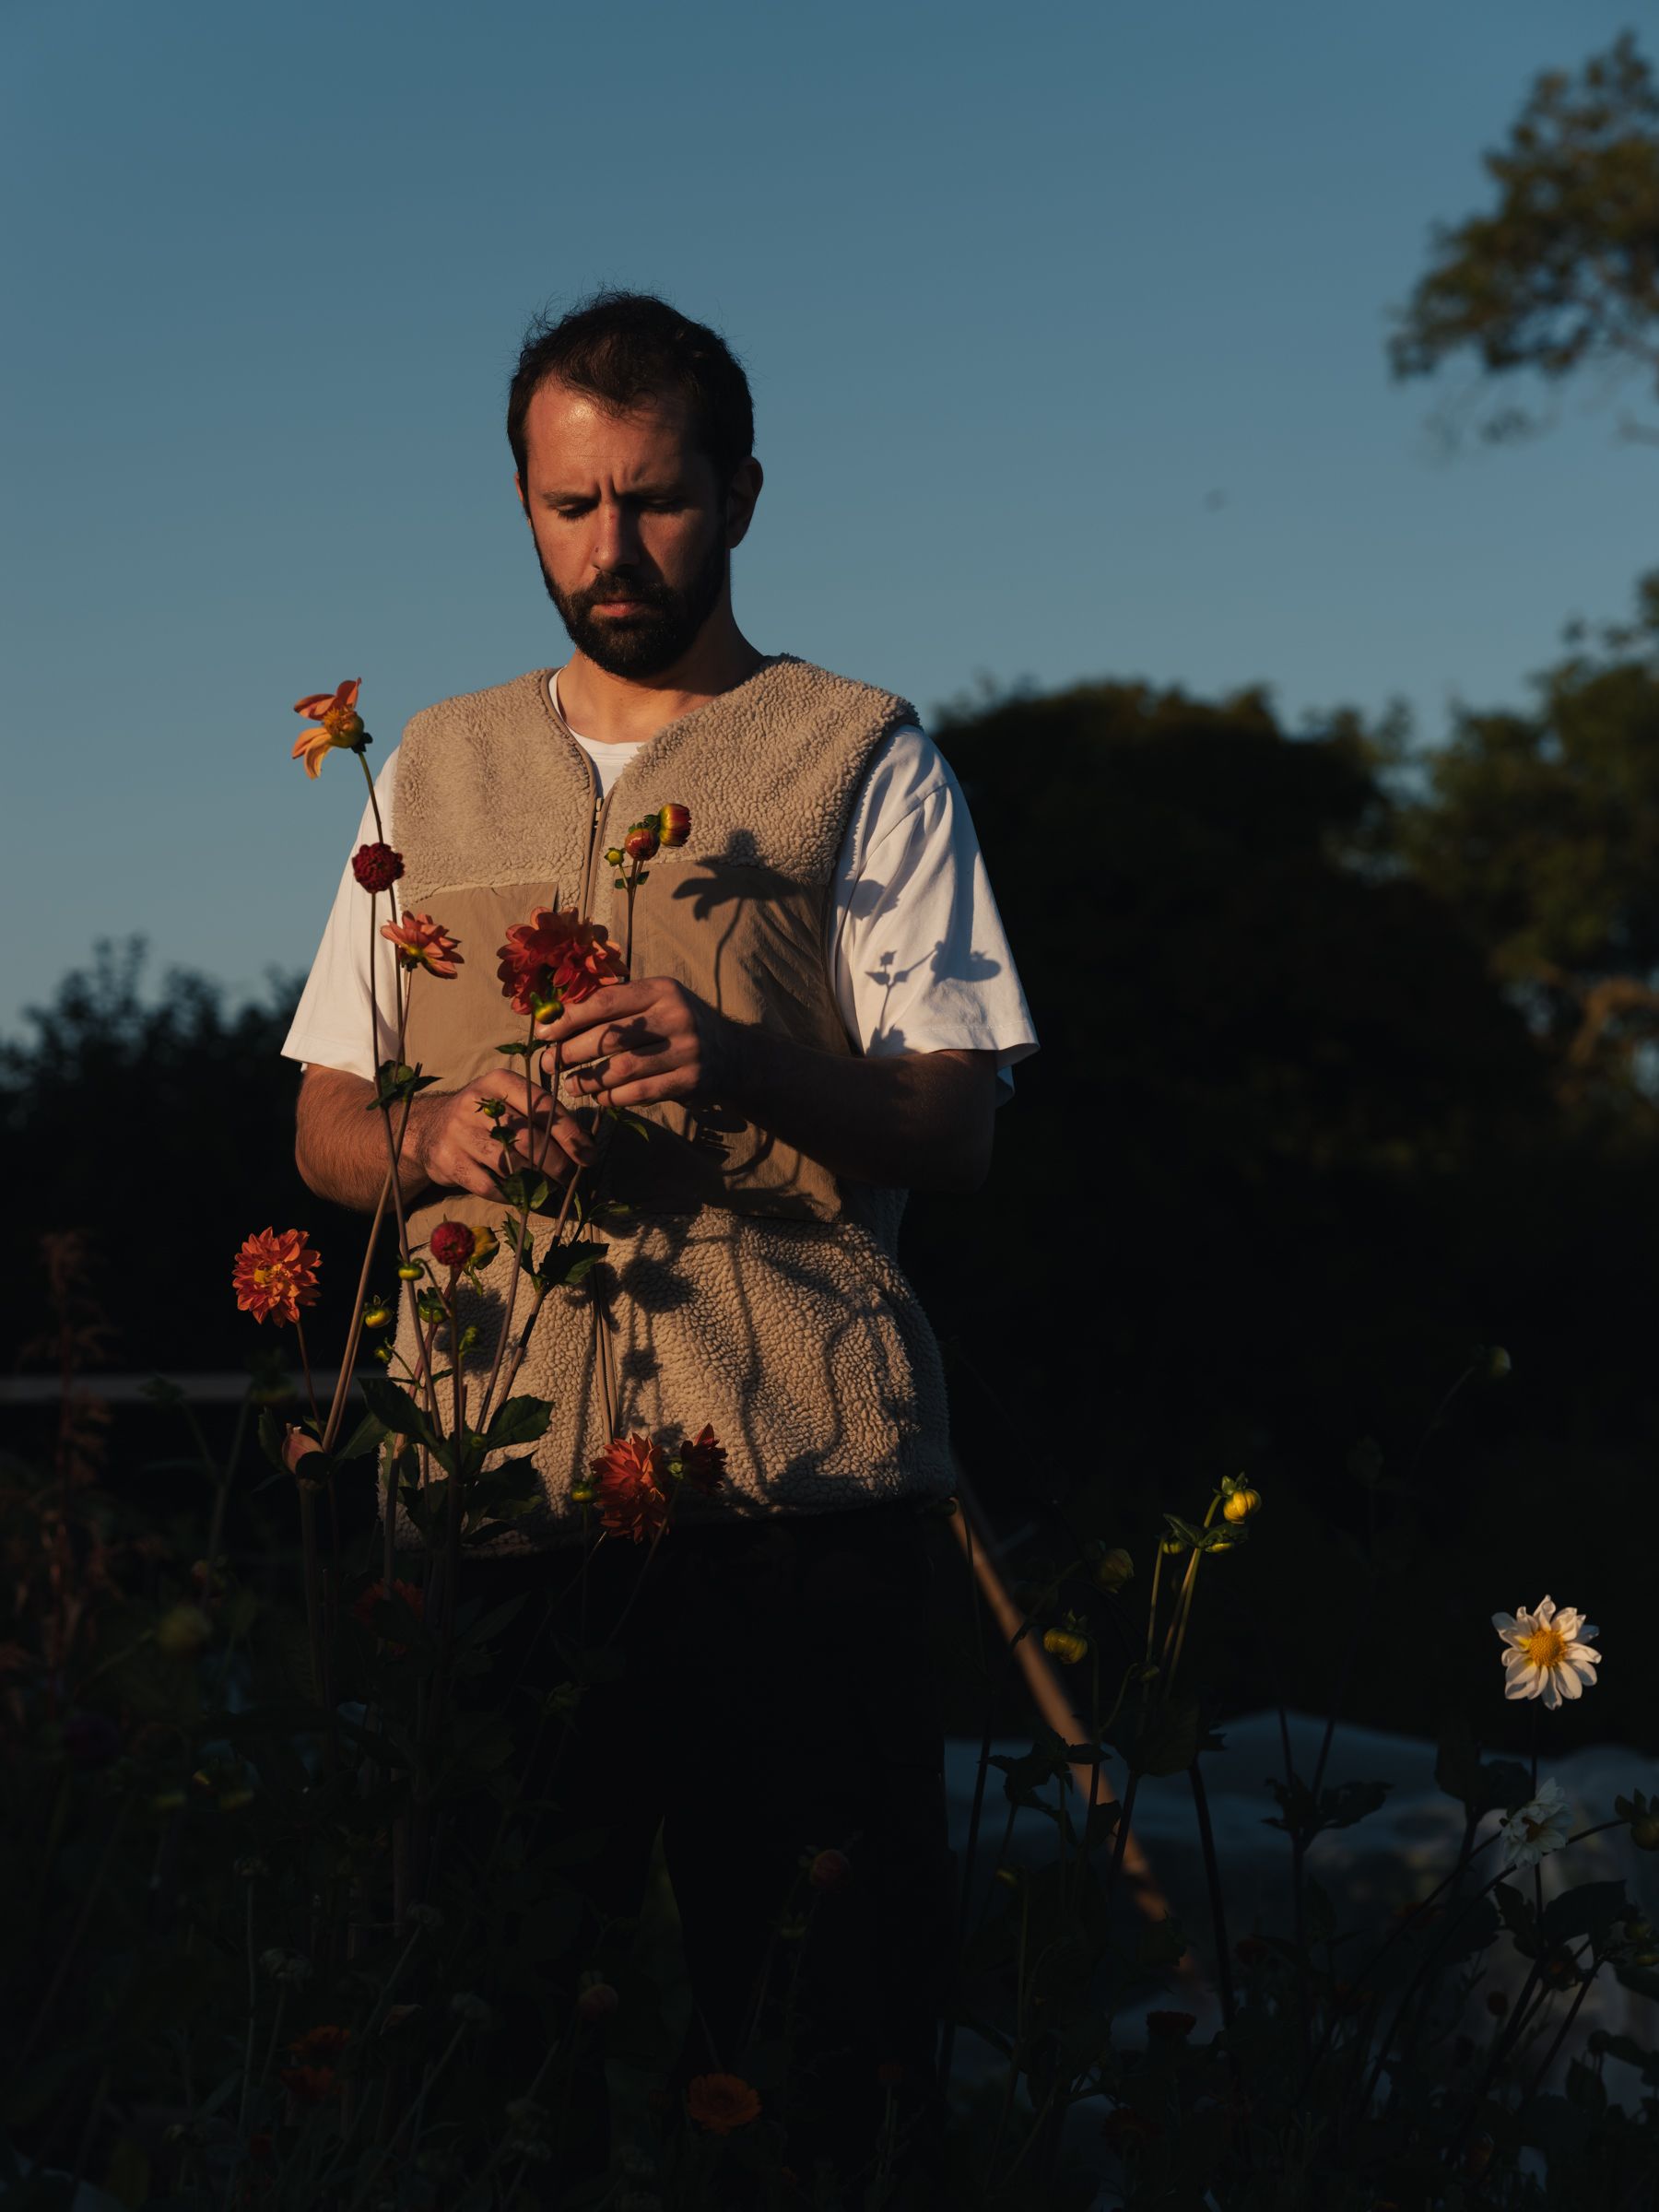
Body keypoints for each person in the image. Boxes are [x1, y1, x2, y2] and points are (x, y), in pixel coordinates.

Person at [284, 290, 1036, 2194]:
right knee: (477, 2051)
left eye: (657, 501)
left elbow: (953, 1129)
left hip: (793, 1496)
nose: (611, 550)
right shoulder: (424, 772)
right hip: (493, 1506)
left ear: (742, 494)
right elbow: (322, 1132)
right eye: (569, 506)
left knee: (817, 2061)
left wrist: (741, 1057)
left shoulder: (863, 754)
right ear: (524, 507)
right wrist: (440, 1128)